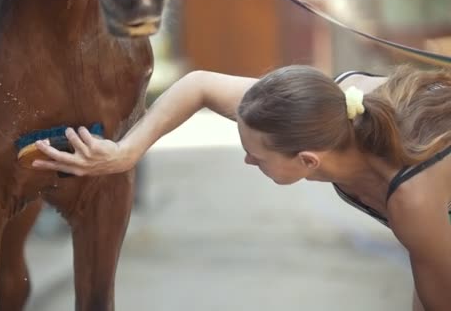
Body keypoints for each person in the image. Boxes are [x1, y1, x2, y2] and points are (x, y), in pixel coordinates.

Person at [31, 64, 451, 310]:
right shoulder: (320, 110)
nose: (248, 160)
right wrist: (126, 152)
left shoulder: (411, 199)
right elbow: (199, 85)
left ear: (307, 161)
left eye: (258, 157)